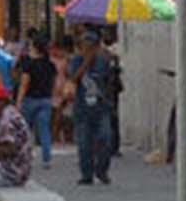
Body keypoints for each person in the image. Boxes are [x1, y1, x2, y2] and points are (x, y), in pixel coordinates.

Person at [67, 31, 118, 186]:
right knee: (84, 143)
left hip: (101, 108)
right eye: (84, 47)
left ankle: (102, 170)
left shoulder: (103, 62)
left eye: (91, 47)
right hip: (82, 108)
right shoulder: (76, 61)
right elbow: (73, 79)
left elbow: (110, 82)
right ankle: (86, 174)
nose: (87, 50)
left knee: (105, 138)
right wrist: (86, 63)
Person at [15, 32, 58, 170]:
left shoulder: (29, 65)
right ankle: (47, 159)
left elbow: (24, 84)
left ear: (34, 47)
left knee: (26, 130)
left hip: (30, 99)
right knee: (44, 130)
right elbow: (54, 83)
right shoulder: (50, 65)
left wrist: (18, 101)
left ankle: (25, 157)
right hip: (45, 99)